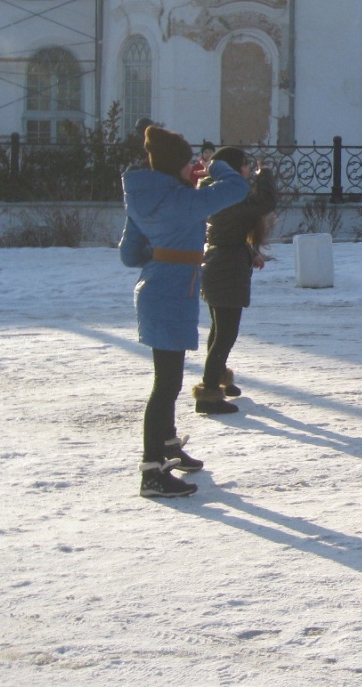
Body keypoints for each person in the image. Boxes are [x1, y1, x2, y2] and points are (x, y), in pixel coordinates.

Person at [120, 125, 248, 497]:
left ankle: (169, 447)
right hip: (173, 293)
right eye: (191, 161)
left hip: (156, 288)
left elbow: (130, 254)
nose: (195, 166)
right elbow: (238, 189)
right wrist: (216, 166)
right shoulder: (181, 201)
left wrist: (161, 254)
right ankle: (152, 470)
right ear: (176, 165)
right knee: (166, 385)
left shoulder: (145, 198)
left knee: (169, 379)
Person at [194, 146, 278, 416]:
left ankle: (218, 378)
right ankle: (208, 394)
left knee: (219, 330)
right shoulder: (227, 195)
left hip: (220, 263)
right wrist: (263, 173)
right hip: (226, 267)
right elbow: (265, 202)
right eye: (244, 165)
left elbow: (229, 229)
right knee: (225, 333)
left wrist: (250, 252)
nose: (247, 171)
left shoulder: (215, 190)